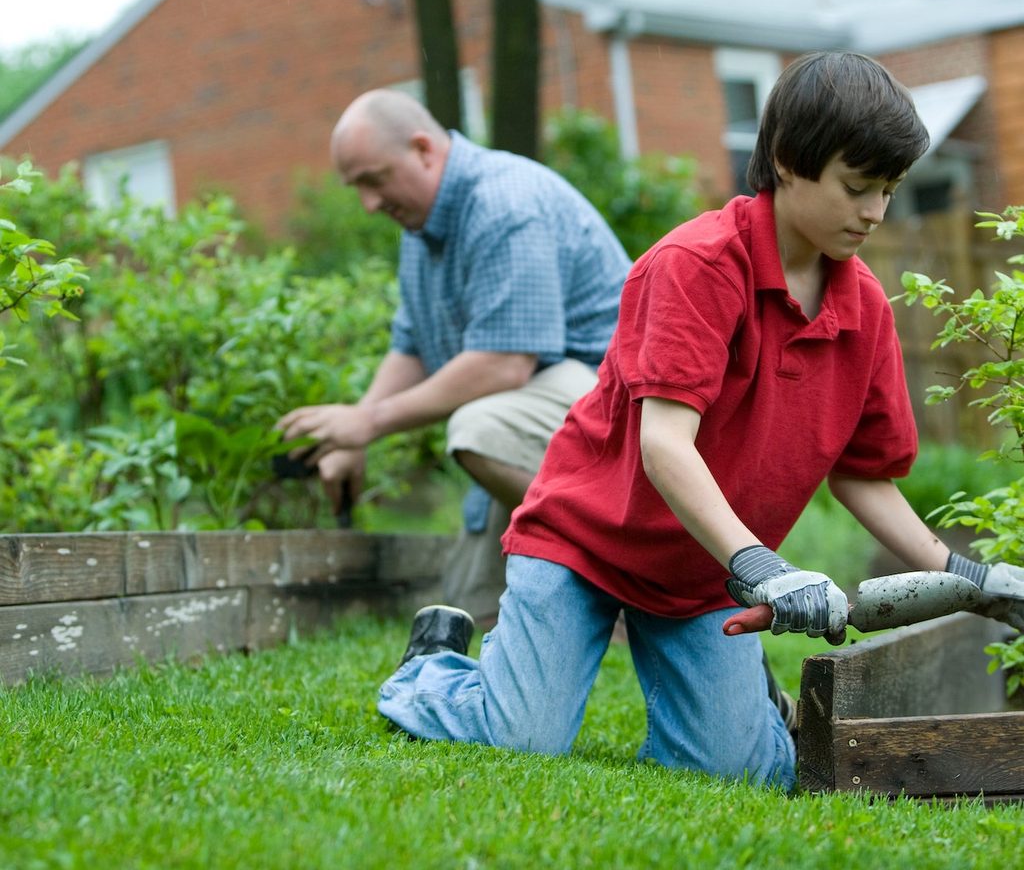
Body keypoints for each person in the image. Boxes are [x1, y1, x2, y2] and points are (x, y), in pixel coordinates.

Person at [376, 51, 1024, 790]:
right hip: (585, 543)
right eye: (857, 187)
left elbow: (862, 475)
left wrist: (978, 581)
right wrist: (765, 568)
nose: (875, 212)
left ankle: (742, 706)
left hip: (702, 574)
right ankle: (433, 669)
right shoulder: (697, 265)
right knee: (521, 738)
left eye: (888, 189)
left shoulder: (864, 309)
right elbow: (665, 445)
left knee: (732, 771)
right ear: (786, 161)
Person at [277, 89, 632, 620]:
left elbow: (504, 364)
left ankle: (629, 575)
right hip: (542, 418)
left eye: (374, 180)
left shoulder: (503, 204)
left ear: (423, 149)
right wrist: (351, 434)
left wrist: (370, 421)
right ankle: (583, 589)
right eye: (357, 189)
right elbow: (413, 344)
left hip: (620, 415)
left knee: (480, 429)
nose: (369, 205)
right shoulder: (421, 228)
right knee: (467, 608)